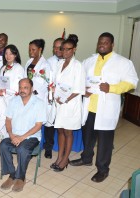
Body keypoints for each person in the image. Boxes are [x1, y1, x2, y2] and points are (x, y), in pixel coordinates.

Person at [70, 32, 138, 182]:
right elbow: (81, 80)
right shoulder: (89, 61)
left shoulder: (123, 62)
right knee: (87, 137)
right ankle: (86, 158)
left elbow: (132, 82)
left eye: (106, 42)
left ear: (112, 45)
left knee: (105, 142)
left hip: (106, 108)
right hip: (89, 107)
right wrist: (84, 90)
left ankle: (103, 169)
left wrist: (112, 88)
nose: (102, 45)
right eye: (100, 42)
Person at [0, 78, 46, 192]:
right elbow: (8, 120)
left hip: (31, 136)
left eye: (25, 87)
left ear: (32, 89)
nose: (22, 90)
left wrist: (21, 137)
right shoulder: (13, 101)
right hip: (14, 135)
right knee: (3, 145)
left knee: (22, 149)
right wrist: (11, 135)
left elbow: (38, 125)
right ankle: (12, 174)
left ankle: (21, 177)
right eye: (20, 87)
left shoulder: (39, 103)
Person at [51, 35, 85, 172]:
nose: (64, 52)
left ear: (74, 49)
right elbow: (57, 83)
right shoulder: (59, 64)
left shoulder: (78, 66)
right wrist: (55, 93)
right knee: (60, 130)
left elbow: (79, 88)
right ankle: (59, 157)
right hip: (59, 103)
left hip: (70, 104)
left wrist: (64, 99)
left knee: (68, 132)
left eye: (68, 49)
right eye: (62, 49)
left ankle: (65, 159)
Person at [44, 37, 64, 159]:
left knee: (63, 125)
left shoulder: (70, 62)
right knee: (49, 125)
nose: (56, 49)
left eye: (59, 47)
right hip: (50, 97)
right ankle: (48, 148)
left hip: (63, 98)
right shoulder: (48, 62)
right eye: (54, 47)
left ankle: (63, 149)